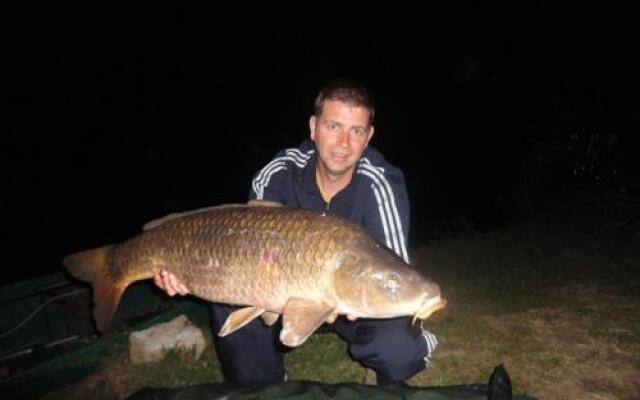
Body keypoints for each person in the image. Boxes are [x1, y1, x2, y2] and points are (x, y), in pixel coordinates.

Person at [154, 79, 438, 385]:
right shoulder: (279, 172)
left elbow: (393, 264)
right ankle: (265, 381)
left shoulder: (380, 183)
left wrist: (350, 300)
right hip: (277, 293)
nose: (344, 142)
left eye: (356, 131)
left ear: (368, 137)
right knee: (229, 298)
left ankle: (405, 350)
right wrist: (184, 269)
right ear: (314, 127)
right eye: (333, 126)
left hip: (352, 304)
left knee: (398, 349)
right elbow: (238, 241)